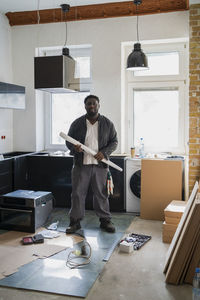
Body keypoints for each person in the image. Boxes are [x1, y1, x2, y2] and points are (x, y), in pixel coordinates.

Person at [65, 94, 118, 234]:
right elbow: (68, 141)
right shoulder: (77, 123)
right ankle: (75, 222)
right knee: (77, 193)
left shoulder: (107, 123)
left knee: (101, 193)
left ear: (99, 105)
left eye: (94, 103)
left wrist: (105, 152)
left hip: (100, 165)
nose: (92, 106)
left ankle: (105, 221)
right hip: (81, 165)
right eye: (89, 104)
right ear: (85, 106)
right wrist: (74, 148)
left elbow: (114, 141)